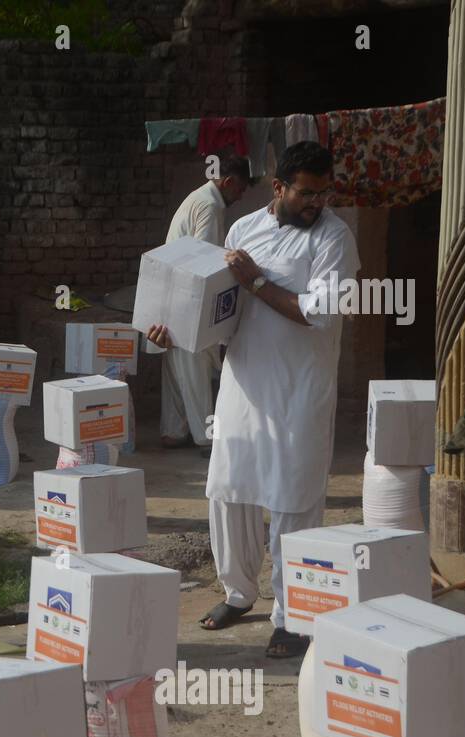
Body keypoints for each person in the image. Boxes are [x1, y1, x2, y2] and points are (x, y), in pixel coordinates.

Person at [146, 142, 360, 660]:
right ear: (278, 186)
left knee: (294, 501)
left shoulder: (334, 238)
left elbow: (321, 313)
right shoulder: (243, 231)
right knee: (228, 492)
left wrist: (257, 280)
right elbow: (222, 309)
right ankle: (239, 592)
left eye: (323, 191)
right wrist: (176, 331)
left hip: (299, 392)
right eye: (306, 192)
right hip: (241, 385)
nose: (316, 202)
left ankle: (294, 616)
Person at [157, 156, 252, 451]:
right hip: (188, 300)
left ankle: (174, 432)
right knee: (195, 367)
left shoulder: (198, 198)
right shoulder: (210, 206)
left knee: (178, 368)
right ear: (228, 182)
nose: (241, 195)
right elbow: (207, 263)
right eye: (241, 188)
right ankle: (206, 438)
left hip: (174, 295)